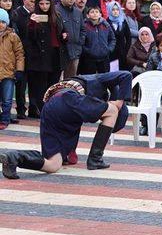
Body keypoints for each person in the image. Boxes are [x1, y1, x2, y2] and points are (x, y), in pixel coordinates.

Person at [0, 73, 130, 178]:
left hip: (50, 108)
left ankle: (14, 157)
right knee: (112, 110)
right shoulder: (98, 80)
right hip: (67, 97)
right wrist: (119, 103)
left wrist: (68, 153)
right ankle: (95, 159)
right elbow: (126, 75)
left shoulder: (84, 105)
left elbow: (72, 127)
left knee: (53, 165)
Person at [24, 0, 65, 116]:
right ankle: (43, 110)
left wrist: (65, 35)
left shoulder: (56, 15)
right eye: (41, 3)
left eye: (47, 3)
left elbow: (63, 31)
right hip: (41, 56)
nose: (44, 6)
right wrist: (33, 23)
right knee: (41, 86)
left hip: (56, 55)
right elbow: (30, 37)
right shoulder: (34, 16)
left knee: (53, 85)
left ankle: (51, 109)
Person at [11, 0, 36, 119]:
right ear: (25, 1)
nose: (34, 4)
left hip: (35, 56)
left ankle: (33, 108)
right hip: (21, 54)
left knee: (34, 83)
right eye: (32, 1)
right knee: (21, 84)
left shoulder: (38, 14)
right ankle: (20, 109)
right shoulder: (17, 14)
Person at [0, 9, 24, 130]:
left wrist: (19, 70)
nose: (1, 24)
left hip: (8, 72)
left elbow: (19, 54)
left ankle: (5, 119)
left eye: (3, 22)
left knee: (7, 99)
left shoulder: (13, 36)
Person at [58, 0, 86, 78]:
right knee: (57, 81)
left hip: (74, 52)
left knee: (71, 80)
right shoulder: (55, 11)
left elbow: (83, 30)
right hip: (60, 52)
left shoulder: (78, 12)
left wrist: (80, 43)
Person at [80, 6, 115, 74]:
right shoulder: (84, 26)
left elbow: (112, 39)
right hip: (89, 59)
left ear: (100, 14)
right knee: (90, 80)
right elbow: (81, 42)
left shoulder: (106, 25)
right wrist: (88, 51)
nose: (95, 14)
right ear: (87, 15)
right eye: (92, 12)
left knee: (105, 79)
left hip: (104, 57)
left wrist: (109, 49)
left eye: (96, 12)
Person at [106, 1, 131, 70]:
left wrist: (126, 50)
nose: (115, 11)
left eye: (117, 9)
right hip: (111, 53)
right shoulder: (106, 22)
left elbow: (128, 37)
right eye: (113, 10)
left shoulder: (123, 22)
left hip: (122, 53)